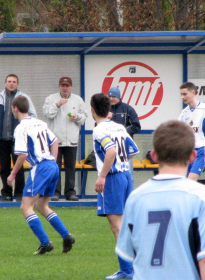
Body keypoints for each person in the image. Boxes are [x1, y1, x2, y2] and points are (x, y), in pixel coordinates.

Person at [116, 120, 205, 280]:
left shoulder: (136, 198)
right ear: (193, 156)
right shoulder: (203, 196)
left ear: (154, 155)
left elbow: (128, 254)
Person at [6, 96, 75, 255]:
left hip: (40, 167)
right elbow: (55, 141)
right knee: (42, 206)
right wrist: (52, 161)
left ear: (15, 108)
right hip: (52, 165)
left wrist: (13, 174)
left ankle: (45, 243)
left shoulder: (21, 128)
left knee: (26, 206)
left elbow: (22, 155)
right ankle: (66, 235)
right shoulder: (40, 123)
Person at [90, 93, 139, 280]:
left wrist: (102, 176)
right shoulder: (118, 127)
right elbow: (133, 150)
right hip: (126, 175)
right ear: (109, 110)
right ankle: (133, 268)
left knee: (117, 226)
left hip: (112, 178)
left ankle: (127, 271)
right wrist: (120, 163)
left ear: (93, 110)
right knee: (125, 224)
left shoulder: (99, 129)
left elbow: (110, 151)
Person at [0, 74, 37, 202]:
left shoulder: (24, 98)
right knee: (4, 168)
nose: (11, 83)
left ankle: (20, 194)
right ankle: (6, 193)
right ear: (5, 83)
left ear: (17, 84)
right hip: (1, 139)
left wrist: (27, 131)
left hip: (18, 140)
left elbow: (33, 115)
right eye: (9, 81)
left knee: (19, 167)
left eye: (14, 82)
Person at [43, 77, 88, 201]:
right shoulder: (51, 99)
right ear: (59, 86)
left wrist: (77, 117)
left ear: (71, 87)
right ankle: (55, 192)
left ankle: (70, 192)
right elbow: (47, 114)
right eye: (63, 85)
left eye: (67, 86)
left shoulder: (78, 100)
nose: (65, 88)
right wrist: (57, 105)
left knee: (70, 168)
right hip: (55, 140)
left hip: (72, 140)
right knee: (54, 167)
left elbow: (84, 117)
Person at [177, 82, 205, 181]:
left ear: (193, 93)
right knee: (183, 182)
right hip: (188, 152)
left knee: (191, 180)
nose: (182, 97)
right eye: (181, 94)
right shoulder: (184, 113)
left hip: (203, 149)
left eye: (185, 94)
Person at [107, 86, 141, 187]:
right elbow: (98, 124)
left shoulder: (128, 109)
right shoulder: (105, 109)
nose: (111, 98)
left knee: (128, 174)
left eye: (114, 96)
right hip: (109, 147)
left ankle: (129, 198)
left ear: (119, 97)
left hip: (124, 148)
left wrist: (122, 133)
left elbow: (136, 126)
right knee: (110, 173)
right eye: (109, 96)